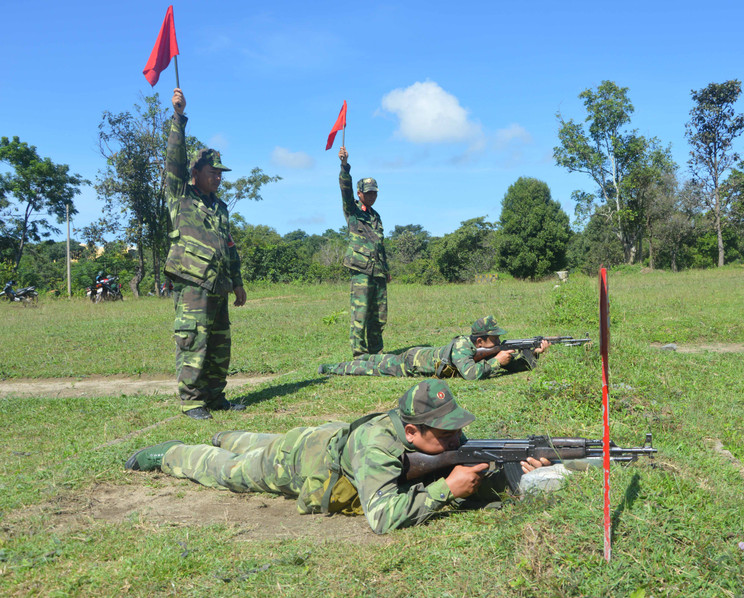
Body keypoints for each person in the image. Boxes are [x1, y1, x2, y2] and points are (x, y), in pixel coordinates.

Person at [125, 380, 551, 534]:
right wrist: (444, 490)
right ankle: (173, 453)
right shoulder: (380, 449)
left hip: (327, 437)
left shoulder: (439, 435)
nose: (458, 436)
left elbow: (468, 465)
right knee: (234, 469)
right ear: (411, 432)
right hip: (304, 463)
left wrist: (514, 472)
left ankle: (226, 433)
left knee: (255, 439)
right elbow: (381, 518)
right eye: (446, 432)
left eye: (457, 426)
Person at [164, 88, 247, 420]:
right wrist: (178, 118)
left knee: (218, 343)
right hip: (193, 284)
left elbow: (229, 247)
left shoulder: (220, 208)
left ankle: (214, 396)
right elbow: (174, 160)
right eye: (213, 172)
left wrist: (237, 283)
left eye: (220, 173)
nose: (218, 177)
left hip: (219, 285)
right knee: (193, 340)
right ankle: (191, 400)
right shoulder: (181, 197)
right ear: (195, 173)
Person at [318, 315, 550, 379]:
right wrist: (495, 362)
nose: (498, 343)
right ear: (480, 342)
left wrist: (534, 356)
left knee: (371, 360)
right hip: (410, 363)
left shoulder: (481, 350)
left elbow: (506, 365)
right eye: (494, 340)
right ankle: (331, 368)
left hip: (416, 358)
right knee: (368, 366)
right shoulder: (462, 347)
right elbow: (470, 375)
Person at [338, 146, 390, 357]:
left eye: (374, 193)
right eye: (368, 193)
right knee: (360, 313)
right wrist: (344, 166)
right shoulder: (352, 211)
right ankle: (359, 353)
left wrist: (386, 269)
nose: (372, 196)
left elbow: (380, 244)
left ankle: (376, 351)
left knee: (378, 314)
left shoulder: (376, 216)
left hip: (377, 271)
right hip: (360, 269)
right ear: (359, 194)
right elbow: (345, 190)